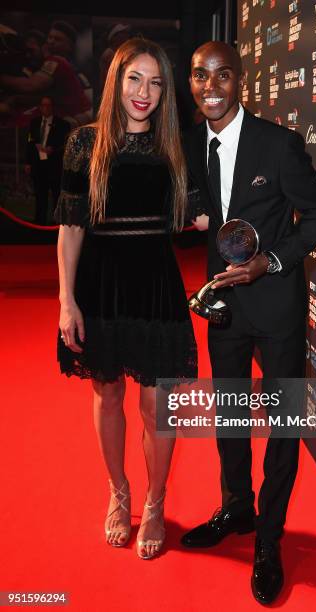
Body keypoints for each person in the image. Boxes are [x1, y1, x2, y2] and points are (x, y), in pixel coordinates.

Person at [182, 42, 316, 604]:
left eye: (222, 74)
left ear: (241, 80)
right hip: (223, 307)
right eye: (200, 75)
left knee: (283, 426)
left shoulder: (277, 144)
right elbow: (203, 209)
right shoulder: (192, 143)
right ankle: (237, 509)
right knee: (229, 416)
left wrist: (269, 262)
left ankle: (269, 540)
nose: (211, 84)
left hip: (274, 305)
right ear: (192, 82)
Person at [55, 37, 197, 560]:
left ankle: (156, 502)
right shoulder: (83, 144)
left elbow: (202, 214)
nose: (145, 92)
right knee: (107, 394)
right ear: (116, 81)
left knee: (158, 407)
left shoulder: (175, 147)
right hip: (102, 285)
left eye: (156, 82)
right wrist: (67, 301)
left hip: (157, 285)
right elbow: (70, 230)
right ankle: (120, 492)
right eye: (136, 78)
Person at [0, 21, 92, 127]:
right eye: (50, 37)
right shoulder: (46, 67)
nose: (51, 41)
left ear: (69, 46)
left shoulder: (57, 61)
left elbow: (30, 85)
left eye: (57, 39)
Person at [25, 96, 70, 225]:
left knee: (56, 195)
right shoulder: (34, 123)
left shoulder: (63, 124)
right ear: (40, 107)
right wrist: (28, 162)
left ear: (53, 107)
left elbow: (65, 144)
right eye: (44, 105)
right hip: (38, 165)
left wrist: (53, 149)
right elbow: (30, 143)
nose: (46, 108)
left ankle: (56, 224)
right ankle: (39, 222)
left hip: (54, 165)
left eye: (49, 105)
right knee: (40, 195)